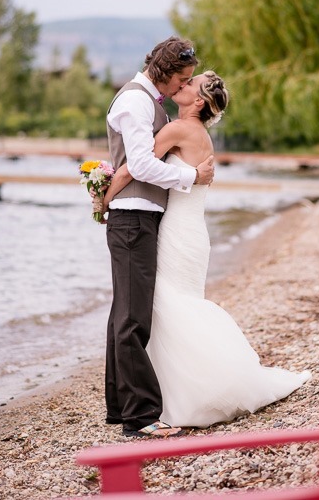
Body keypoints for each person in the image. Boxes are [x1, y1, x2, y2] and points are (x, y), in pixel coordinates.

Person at [102, 70, 311, 429]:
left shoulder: (178, 130)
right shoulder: (197, 134)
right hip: (191, 232)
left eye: (188, 84)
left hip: (176, 232)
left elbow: (132, 170)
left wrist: (102, 198)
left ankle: (180, 394)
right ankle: (169, 391)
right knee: (173, 305)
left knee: (166, 305)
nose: (181, 85)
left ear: (198, 101)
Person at [101, 36, 214, 439]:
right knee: (133, 319)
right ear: (164, 73)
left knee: (126, 314)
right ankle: (141, 416)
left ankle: (122, 408)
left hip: (140, 216)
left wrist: (106, 192)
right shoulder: (134, 101)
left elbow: (133, 164)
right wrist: (190, 176)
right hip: (133, 218)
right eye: (181, 78)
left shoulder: (150, 103)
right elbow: (142, 165)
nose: (182, 86)